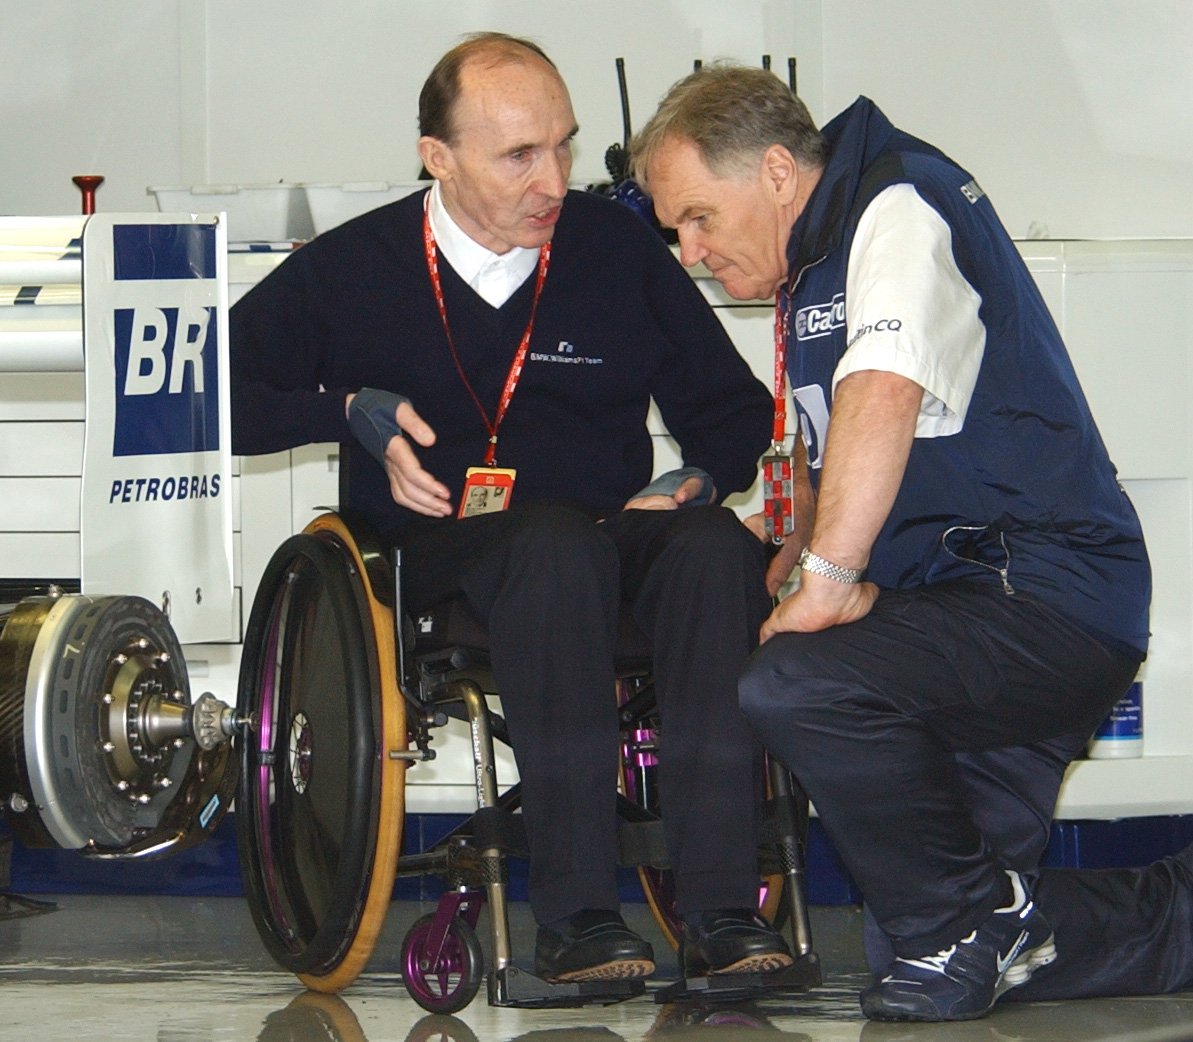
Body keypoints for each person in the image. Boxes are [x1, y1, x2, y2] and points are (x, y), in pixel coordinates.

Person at [631, 64, 1193, 1023]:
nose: (689, 250)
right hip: (956, 609)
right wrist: (795, 536)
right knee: (938, 949)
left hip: (1039, 596)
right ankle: (1049, 922)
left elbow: (882, 388)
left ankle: (969, 922)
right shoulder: (815, 255)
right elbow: (832, 428)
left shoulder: (894, 201)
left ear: (773, 172)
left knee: (793, 679)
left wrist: (826, 576)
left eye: (696, 217)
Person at [230, 34, 794, 985]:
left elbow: (734, 407)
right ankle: (576, 917)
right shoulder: (355, 267)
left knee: (707, 549)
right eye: (518, 156)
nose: (553, 180)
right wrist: (343, 412)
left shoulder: (611, 248)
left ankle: (722, 911)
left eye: (564, 147)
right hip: (440, 554)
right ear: (436, 158)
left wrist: (699, 473)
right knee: (551, 546)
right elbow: (208, 387)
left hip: (607, 540)